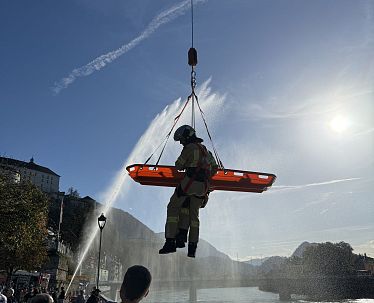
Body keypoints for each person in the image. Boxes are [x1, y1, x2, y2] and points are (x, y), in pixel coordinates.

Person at [159, 125, 218, 257]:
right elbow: (215, 168)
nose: (181, 142)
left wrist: (188, 166)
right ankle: (191, 248)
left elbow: (178, 165)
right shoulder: (207, 151)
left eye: (181, 139)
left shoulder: (189, 148)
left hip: (189, 184)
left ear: (187, 136)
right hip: (203, 188)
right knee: (193, 215)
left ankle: (170, 242)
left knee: (173, 207)